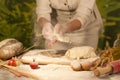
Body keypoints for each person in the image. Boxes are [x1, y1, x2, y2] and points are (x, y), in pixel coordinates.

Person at [33, 0, 103, 51]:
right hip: (56, 27)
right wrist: (46, 24)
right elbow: (42, 12)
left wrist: (65, 27)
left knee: (84, 62)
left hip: (86, 30)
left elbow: (82, 16)